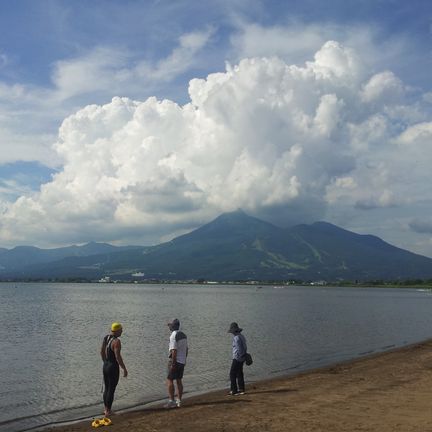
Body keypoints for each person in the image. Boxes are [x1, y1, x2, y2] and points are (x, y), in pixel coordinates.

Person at [100, 322, 128, 416]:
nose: (122, 331)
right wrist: (124, 368)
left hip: (106, 365)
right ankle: (108, 411)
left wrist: (105, 361)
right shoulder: (116, 341)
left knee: (106, 388)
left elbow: (101, 351)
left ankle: (106, 409)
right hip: (113, 367)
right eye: (121, 330)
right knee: (111, 389)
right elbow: (117, 356)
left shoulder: (106, 338)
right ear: (116, 330)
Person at [165, 318, 188, 408]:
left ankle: (171, 401)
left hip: (175, 361)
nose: (169, 327)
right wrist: (184, 360)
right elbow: (186, 349)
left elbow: (174, 351)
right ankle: (179, 401)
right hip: (182, 361)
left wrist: (173, 363)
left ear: (173, 326)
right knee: (179, 381)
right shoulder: (183, 335)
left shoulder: (173, 336)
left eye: (170, 325)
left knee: (169, 380)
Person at [228, 322, 247, 395]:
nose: (231, 333)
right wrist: (244, 355)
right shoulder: (242, 336)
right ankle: (241, 389)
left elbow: (238, 348)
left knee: (232, 374)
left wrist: (240, 355)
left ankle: (234, 390)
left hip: (237, 358)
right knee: (239, 373)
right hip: (242, 357)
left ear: (234, 331)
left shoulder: (236, 338)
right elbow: (245, 347)